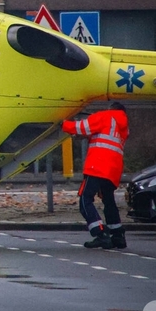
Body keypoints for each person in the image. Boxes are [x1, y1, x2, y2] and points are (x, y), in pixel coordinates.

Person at [62, 101, 129, 249]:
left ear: (111, 109)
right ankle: (117, 235)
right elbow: (103, 137)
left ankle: (100, 233)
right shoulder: (123, 127)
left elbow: (82, 127)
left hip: (98, 165)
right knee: (109, 201)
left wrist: (62, 124)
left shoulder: (106, 116)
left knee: (85, 199)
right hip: (113, 169)